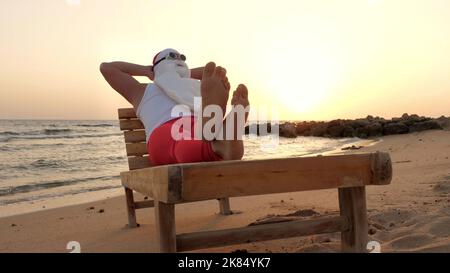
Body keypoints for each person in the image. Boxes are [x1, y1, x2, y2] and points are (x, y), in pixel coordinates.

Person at [100, 48, 250, 165]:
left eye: (181, 58)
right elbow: (106, 68)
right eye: (172, 57)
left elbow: (213, 70)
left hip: (199, 125)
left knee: (197, 135)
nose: (178, 60)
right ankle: (222, 143)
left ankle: (221, 142)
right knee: (179, 142)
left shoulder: (193, 87)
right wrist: (147, 71)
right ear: (157, 67)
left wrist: (185, 73)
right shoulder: (141, 91)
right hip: (164, 130)